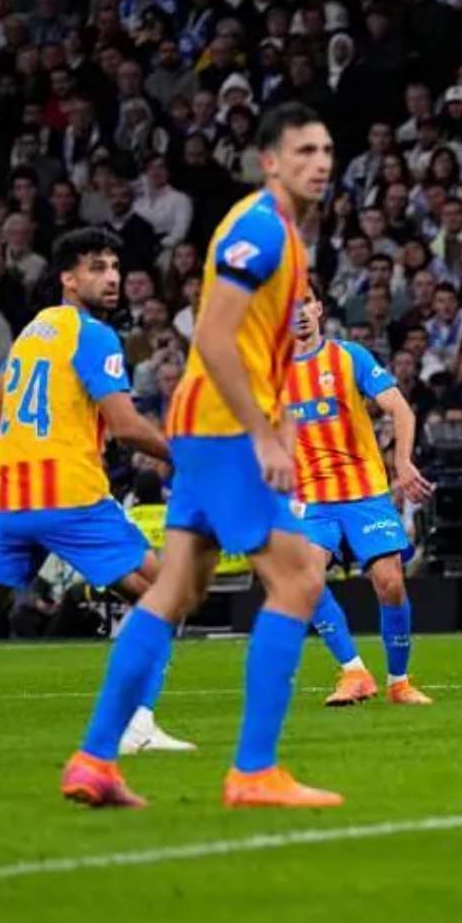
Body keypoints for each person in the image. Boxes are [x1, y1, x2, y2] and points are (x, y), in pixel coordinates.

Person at [61, 103, 339, 810]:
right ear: (269, 161)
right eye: (304, 150)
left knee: (175, 589)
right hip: (221, 430)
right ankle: (254, 772)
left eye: (327, 150)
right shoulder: (259, 228)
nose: (320, 161)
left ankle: (95, 759)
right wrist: (262, 434)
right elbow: (212, 339)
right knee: (300, 578)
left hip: (206, 427)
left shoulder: (282, 234)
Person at [0, 229, 192, 759]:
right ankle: (138, 724)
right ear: (68, 278)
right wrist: (188, 457)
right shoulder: (95, 335)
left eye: (115, 267)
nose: (112, 277)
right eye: (97, 267)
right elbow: (123, 426)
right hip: (71, 496)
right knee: (166, 594)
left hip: (14, 503)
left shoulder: (31, 333)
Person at [285, 279, 435, 707]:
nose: (298, 312)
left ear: (319, 309)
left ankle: (399, 682)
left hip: (365, 491)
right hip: (311, 498)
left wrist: (402, 462)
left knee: (390, 584)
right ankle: (353, 672)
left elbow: (399, 408)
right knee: (306, 579)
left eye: (307, 302)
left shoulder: (348, 357)